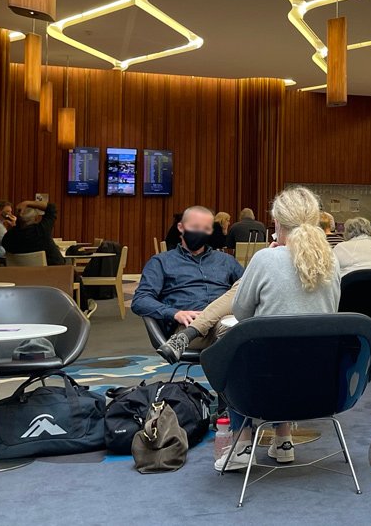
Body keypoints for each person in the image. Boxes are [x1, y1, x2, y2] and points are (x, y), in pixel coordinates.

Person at [214, 186, 344, 472]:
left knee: (238, 353)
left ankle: (242, 445)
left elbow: (241, 312)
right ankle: (283, 440)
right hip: (322, 384)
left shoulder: (264, 259)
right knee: (290, 346)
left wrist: (268, 262)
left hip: (265, 384)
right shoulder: (332, 262)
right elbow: (330, 313)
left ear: (277, 223)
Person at [132, 206, 244, 335]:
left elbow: (249, 288)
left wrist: (263, 261)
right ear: (181, 227)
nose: (200, 232)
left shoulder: (226, 260)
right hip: (188, 324)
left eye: (206, 228)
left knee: (243, 286)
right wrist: (175, 313)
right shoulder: (161, 262)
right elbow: (141, 300)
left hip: (227, 319)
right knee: (237, 331)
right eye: (195, 227)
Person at [2, 198, 65, 265]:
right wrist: (27, 203)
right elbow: (52, 208)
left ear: (18, 219)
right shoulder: (41, 230)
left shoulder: (8, 238)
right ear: (36, 218)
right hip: (52, 272)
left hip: (20, 274)